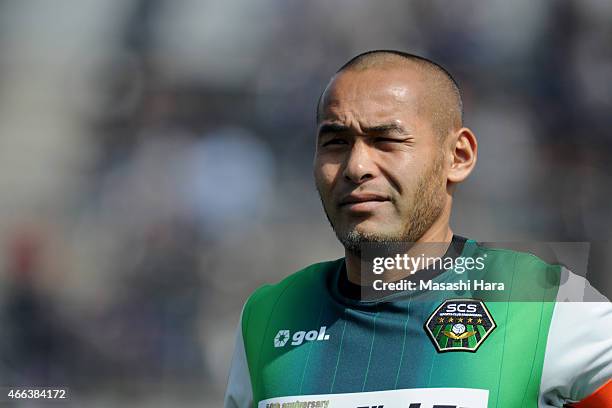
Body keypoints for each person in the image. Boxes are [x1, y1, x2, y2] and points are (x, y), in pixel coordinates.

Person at [224, 50, 612, 408]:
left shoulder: (545, 302)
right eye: (336, 142)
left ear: (458, 157)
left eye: (387, 141)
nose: (356, 166)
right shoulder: (268, 314)